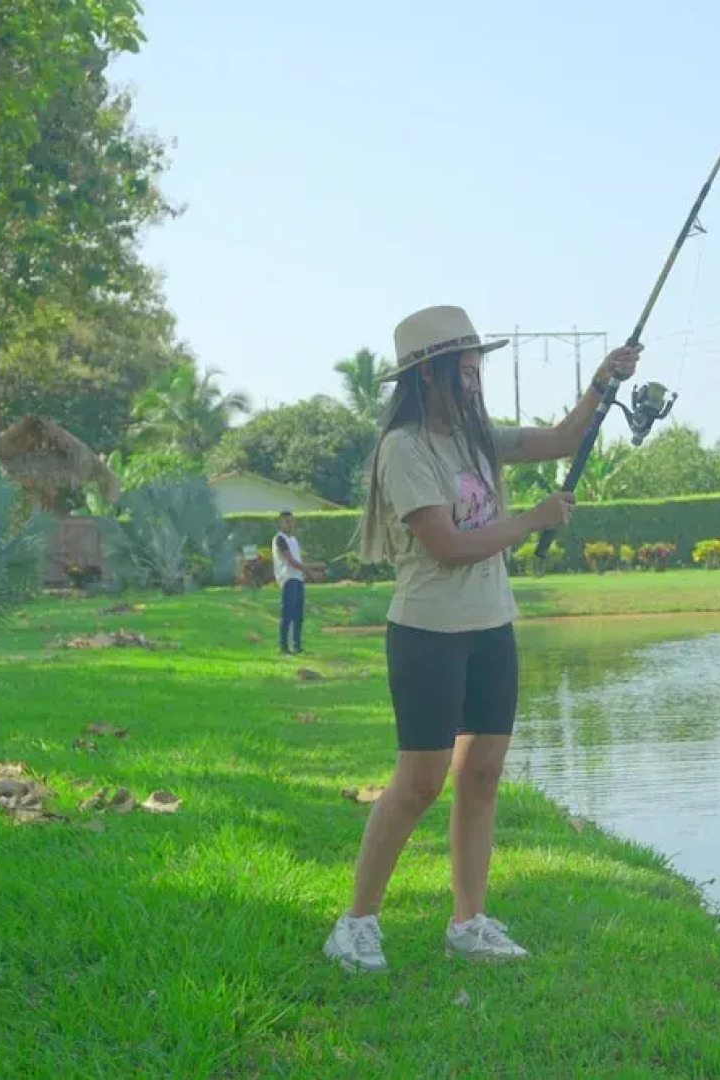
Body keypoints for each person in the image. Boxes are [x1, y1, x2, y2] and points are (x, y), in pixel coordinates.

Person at [322, 303, 640, 973]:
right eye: (463, 372)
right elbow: (448, 544)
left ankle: (468, 923)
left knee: (483, 775)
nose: (474, 381)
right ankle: (355, 924)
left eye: (476, 370)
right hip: (428, 633)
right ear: (428, 375)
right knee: (418, 783)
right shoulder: (404, 448)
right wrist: (532, 520)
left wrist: (601, 384)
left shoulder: (478, 438)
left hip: (491, 628)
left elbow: (562, 440)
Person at [273, 510, 306, 653]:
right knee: (287, 614)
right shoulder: (280, 539)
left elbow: (298, 560)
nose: (290, 524)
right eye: (287, 522)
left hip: (298, 578)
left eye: (291, 521)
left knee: (298, 615)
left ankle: (297, 645)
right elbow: (291, 561)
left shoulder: (294, 540)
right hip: (287, 578)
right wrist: (310, 570)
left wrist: (304, 573)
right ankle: (284, 646)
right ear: (280, 523)